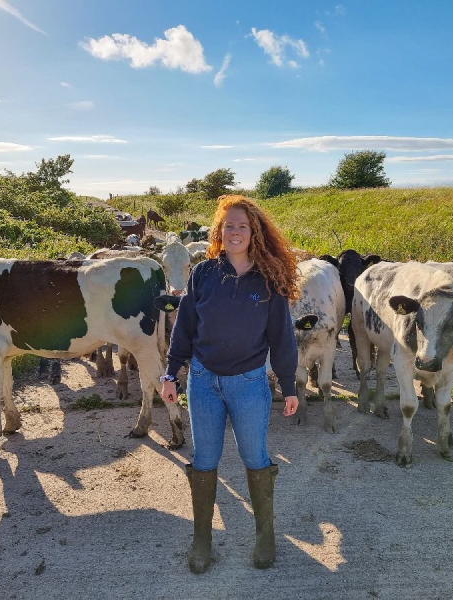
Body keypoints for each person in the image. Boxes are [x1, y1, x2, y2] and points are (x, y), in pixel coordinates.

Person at [159, 194, 300, 574]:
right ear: (219, 232)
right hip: (203, 383)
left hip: (250, 384)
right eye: (228, 226)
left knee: (255, 458)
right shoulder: (204, 273)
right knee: (205, 460)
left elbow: (282, 337)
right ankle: (202, 539)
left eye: (242, 226)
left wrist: (288, 384)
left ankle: (265, 534)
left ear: (254, 232)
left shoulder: (269, 280)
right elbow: (185, 327)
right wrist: (171, 372)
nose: (235, 232)